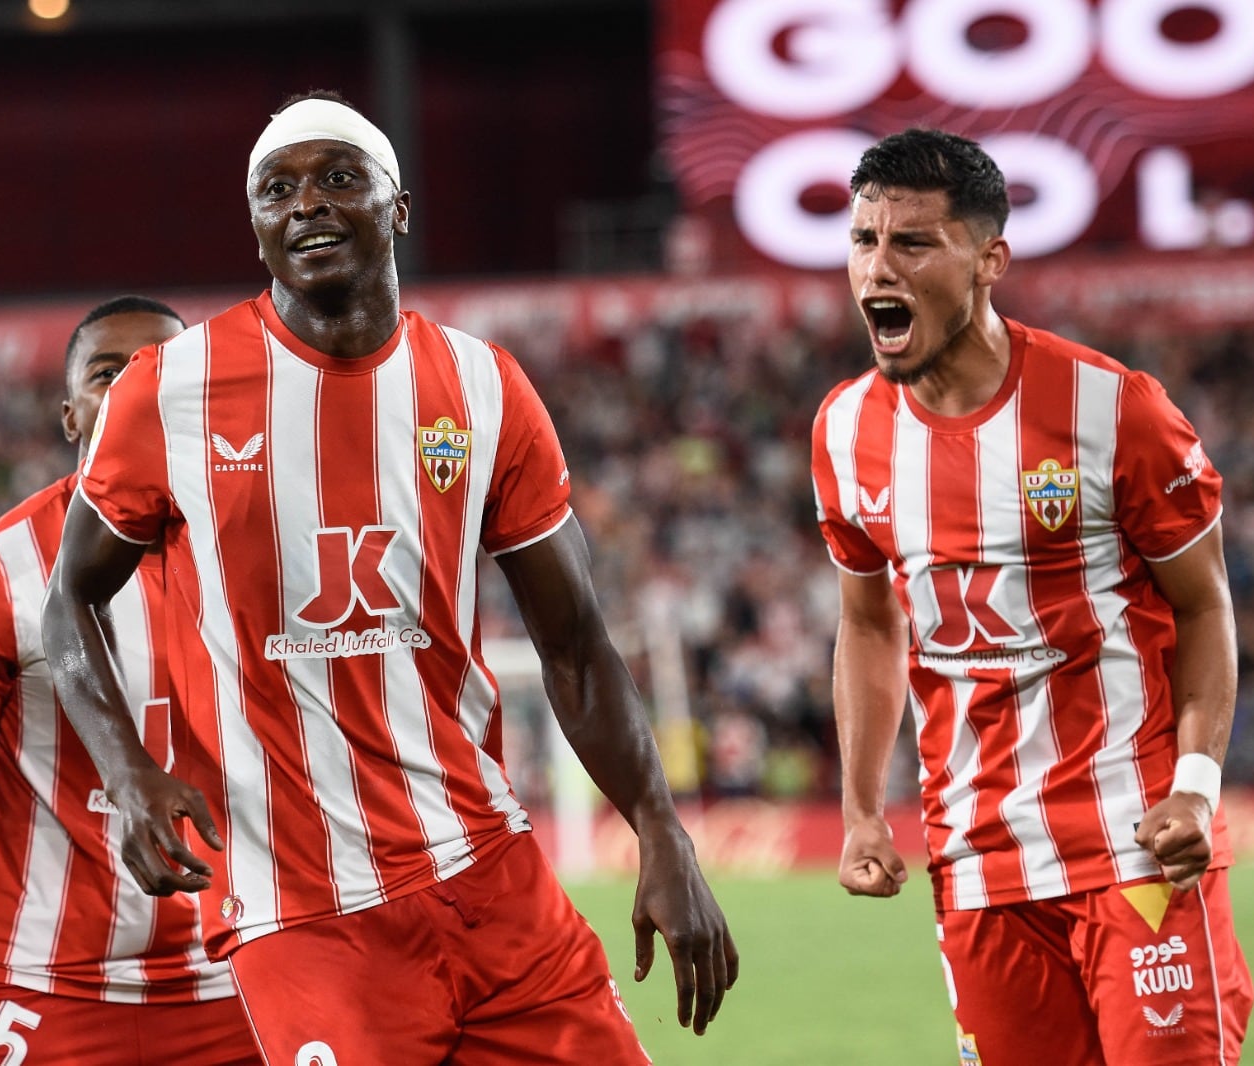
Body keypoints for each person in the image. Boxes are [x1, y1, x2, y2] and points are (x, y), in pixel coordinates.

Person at [41, 91, 737, 1064]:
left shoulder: (483, 387)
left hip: (488, 872)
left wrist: (660, 829)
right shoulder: (171, 390)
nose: (306, 205)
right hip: (300, 908)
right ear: (255, 229)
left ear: (397, 206)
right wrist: (130, 771)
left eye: (337, 178)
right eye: (276, 190)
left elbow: (574, 646)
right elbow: (67, 599)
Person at [811, 128, 1254, 1065]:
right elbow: (866, 618)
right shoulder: (845, 432)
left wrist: (1197, 788)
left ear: (989, 260)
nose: (877, 267)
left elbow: (1207, 605)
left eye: (913, 243)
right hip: (977, 863)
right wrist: (858, 807)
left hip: (1134, 841)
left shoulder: (1114, 409)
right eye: (863, 241)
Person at [0, 296, 261, 1066]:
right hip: (34, 983)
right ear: (70, 416)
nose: (137, 386)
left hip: (234, 979)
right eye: (108, 372)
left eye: (160, 368)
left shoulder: (266, 555)